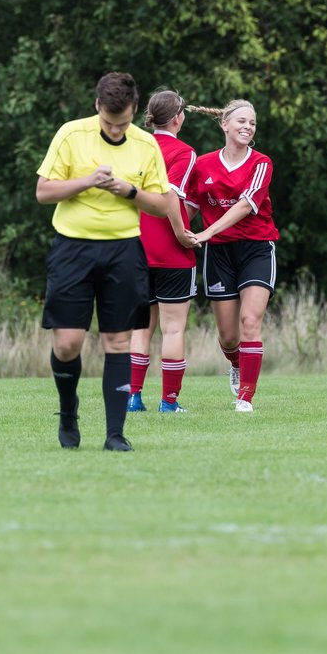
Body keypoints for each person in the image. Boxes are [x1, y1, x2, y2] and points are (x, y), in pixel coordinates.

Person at [36, 72, 173, 451]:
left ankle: (115, 434)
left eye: (124, 123)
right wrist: (86, 181)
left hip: (124, 251)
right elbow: (43, 192)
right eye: (110, 123)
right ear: (97, 106)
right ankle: (68, 411)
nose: (116, 131)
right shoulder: (71, 134)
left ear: (134, 112)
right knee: (67, 344)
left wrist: (129, 191)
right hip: (72, 248)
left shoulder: (147, 146)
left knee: (118, 340)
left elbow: (163, 206)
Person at [185, 99, 279, 412]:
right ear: (224, 125)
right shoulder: (202, 164)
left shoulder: (261, 163)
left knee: (250, 321)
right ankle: (237, 364)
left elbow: (244, 205)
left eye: (252, 123)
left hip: (256, 249)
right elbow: (191, 208)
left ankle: (245, 398)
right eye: (241, 121)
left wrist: (206, 232)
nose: (247, 127)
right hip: (219, 254)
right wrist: (169, 225)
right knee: (228, 338)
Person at [127, 88, 200, 414]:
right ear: (177, 118)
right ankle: (169, 402)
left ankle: (133, 397)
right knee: (173, 328)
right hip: (170, 252)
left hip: (136, 247)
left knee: (141, 327)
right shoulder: (184, 152)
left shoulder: (135, 146)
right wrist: (181, 233)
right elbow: (171, 196)